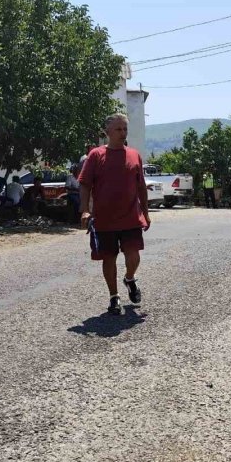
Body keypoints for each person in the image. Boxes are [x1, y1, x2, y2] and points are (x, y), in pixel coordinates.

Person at [79, 113, 151, 315]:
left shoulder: (134, 155)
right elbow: (84, 184)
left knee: (133, 256)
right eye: (118, 129)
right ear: (108, 132)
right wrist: (85, 210)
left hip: (130, 217)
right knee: (108, 258)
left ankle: (129, 278)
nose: (123, 133)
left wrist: (146, 213)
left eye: (125, 129)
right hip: (104, 219)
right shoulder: (95, 155)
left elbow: (141, 187)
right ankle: (114, 297)